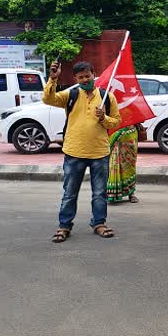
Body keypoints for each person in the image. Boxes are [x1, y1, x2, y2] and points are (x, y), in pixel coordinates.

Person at [43, 60, 121, 243]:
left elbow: (116, 121)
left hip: (100, 152)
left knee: (100, 193)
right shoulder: (70, 94)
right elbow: (48, 99)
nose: (85, 79)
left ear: (94, 74)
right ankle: (64, 226)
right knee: (69, 193)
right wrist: (52, 79)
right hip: (74, 151)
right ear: (75, 78)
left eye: (88, 76)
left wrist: (104, 118)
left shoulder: (106, 97)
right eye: (81, 77)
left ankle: (99, 223)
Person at [106, 124, 144, 204]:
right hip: (118, 148)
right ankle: (113, 194)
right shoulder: (115, 116)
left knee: (130, 170)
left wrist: (137, 125)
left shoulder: (134, 121)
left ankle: (131, 194)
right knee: (115, 168)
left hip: (130, 147)